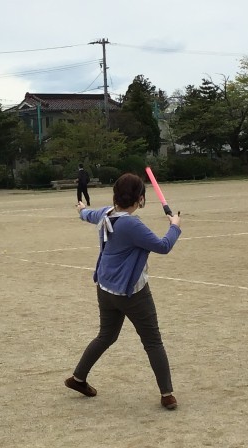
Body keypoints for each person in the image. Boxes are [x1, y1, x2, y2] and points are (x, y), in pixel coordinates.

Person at [65, 172, 182, 410]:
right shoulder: (131, 224)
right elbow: (163, 246)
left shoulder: (106, 213)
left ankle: (78, 378)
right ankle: (167, 394)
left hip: (106, 288)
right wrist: (175, 226)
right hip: (132, 292)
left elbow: (87, 214)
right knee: (153, 341)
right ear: (140, 198)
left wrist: (82, 209)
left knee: (106, 336)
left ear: (116, 196)